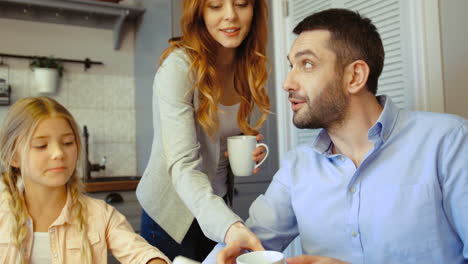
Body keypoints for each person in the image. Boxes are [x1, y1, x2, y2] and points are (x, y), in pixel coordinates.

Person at [205, 8, 468, 264]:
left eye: (306, 64)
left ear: (354, 76)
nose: (287, 83)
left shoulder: (449, 142)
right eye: (291, 65)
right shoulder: (297, 167)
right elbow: (248, 243)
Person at [136, 0, 270, 261]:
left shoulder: (246, 67)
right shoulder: (178, 69)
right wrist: (230, 226)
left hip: (216, 207)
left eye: (241, 4)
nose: (230, 15)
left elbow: (217, 136)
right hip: (171, 217)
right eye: (216, 5)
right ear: (200, 13)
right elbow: (184, 164)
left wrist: (240, 147)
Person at [0, 97, 170, 264]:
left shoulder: (101, 215)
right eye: (41, 145)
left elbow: (142, 255)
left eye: (67, 142)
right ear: (13, 157)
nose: (58, 153)